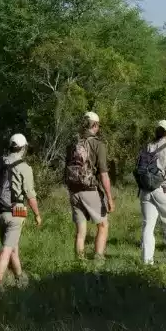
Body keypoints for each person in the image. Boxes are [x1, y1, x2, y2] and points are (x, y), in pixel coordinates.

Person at [0, 133, 42, 294]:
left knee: (12, 247)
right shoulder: (25, 167)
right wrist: (37, 215)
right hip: (16, 212)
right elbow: (30, 196)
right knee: (7, 248)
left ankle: (20, 278)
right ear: (23, 148)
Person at [65, 111, 114, 262]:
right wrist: (110, 198)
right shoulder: (98, 144)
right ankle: (98, 260)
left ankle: (79, 262)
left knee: (80, 231)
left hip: (73, 190)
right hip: (90, 189)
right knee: (103, 224)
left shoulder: (72, 145)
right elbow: (103, 174)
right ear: (95, 125)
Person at [135, 120, 166, 265]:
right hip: (163, 190)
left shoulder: (147, 147)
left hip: (145, 191)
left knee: (148, 226)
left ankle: (147, 260)